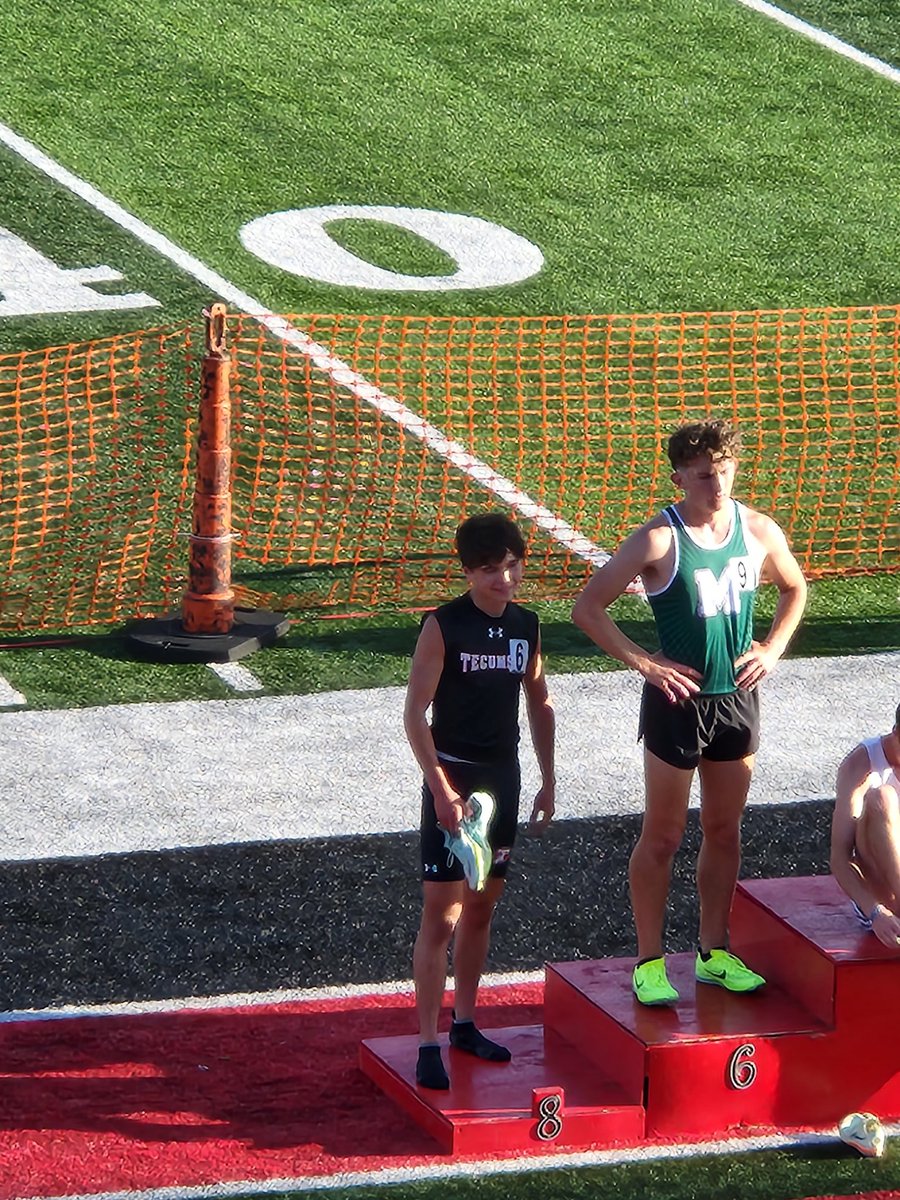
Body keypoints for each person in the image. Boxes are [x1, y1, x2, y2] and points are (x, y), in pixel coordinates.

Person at [572, 417, 807, 1006]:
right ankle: (649, 961)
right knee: (664, 834)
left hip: (737, 700)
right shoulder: (659, 538)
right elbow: (589, 608)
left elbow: (794, 588)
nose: (717, 485)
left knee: (724, 830)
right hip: (678, 705)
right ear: (680, 477)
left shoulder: (757, 530)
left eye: (724, 472)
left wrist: (773, 648)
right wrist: (645, 664)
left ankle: (713, 951)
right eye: (704, 476)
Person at [405, 512, 556, 1089]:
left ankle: (465, 1021)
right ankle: (426, 1041)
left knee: (482, 908)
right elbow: (415, 715)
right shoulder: (443, 625)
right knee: (440, 915)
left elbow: (539, 703)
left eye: (512, 565)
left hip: (505, 780)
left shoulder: (526, 625)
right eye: (491, 569)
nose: (505, 579)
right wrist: (440, 788)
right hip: (456, 781)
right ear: (468, 572)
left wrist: (547, 778)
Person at [830, 703, 900, 948]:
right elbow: (839, 858)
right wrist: (875, 911)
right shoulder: (860, 764)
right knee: (882, 798)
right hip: (881, 895)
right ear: (896, 733)